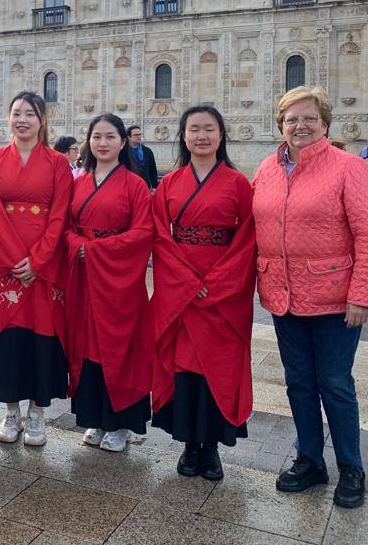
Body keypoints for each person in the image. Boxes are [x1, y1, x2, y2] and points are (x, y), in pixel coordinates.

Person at [253, 86, 368, 509]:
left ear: (325, 123)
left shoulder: (349, 167)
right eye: (291, 119)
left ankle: (351, 466)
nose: (300, 125)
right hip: (283, 296)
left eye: (309, 118)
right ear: (281, 125)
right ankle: (310, 458)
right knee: (298, 383)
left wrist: (362, 294)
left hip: (334, 298)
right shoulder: (267, 169)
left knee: (335, 383)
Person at [150, 105, 256, 482]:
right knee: (185, 367)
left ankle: (211, 448)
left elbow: (246, 240)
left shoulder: (239, 184)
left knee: (218, 366)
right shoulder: (169, 184)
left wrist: (216, 282)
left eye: (208, 129)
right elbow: (161, 236)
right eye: (193, 129)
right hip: (182, 293)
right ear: (183, 136)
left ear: (221, 135)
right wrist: (187, 282)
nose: (201, 136)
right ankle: (189, 445)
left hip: (222, 294)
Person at [0, 90, 72, 446]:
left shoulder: (58, 163)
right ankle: (10, 410)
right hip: (5, 264)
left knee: (40, 339)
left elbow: (60, 215)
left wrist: (39, 260)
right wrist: (16, 259)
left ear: (41, 120)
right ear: (8, 118)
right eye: (16, 113)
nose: (22, 119)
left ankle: (37, 412)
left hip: (42, 269)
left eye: (30, 113)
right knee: (8, 339)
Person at [63, 114, 153, 453]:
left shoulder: (135, 185)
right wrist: (78, 247)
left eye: (110, 137)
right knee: (88, 345)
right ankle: (95, 419)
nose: (103, 143)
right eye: (97, 137)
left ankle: (121, 423)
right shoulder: (79, 183)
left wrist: (96, 251)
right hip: (85, 277)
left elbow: (143, 232)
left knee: (119, 347)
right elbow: (67, 228)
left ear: (122, 142)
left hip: (119, 281)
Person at [127, 125, 158, 190]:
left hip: (145, 186)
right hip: (129, 187)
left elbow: (153, 169)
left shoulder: (147, 151)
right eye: (136, 135)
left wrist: (154, 186)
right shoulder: (124, 152)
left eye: (139, 134)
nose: (138, 136)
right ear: (129, 137)